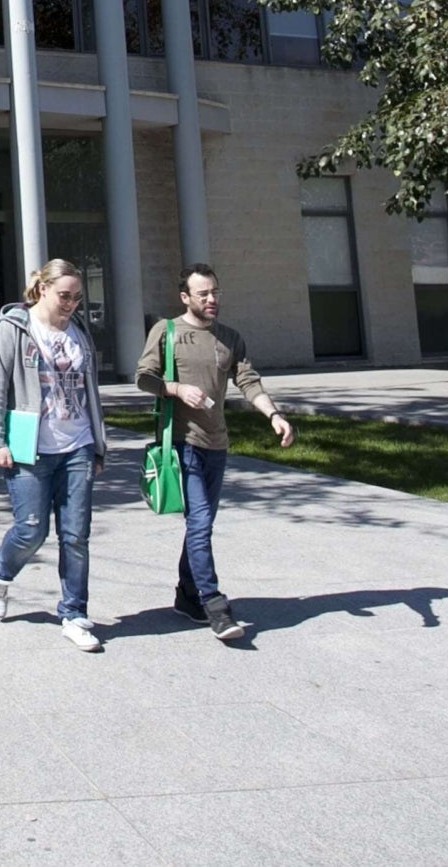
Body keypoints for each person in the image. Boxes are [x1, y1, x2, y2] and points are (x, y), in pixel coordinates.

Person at [138, 263, 293, 643]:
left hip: (216, 445)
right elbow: (143, 377)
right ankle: (213, 604)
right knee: (201, 523)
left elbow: (248, 381)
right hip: (182, 443)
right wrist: (175, 389)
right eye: (203, 294)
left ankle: (186, 595)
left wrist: (274, 415)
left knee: (198, 526)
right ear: (185, 297)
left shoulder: (229, 338)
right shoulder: (167, 331)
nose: (211, 300)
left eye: (215, 293)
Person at [0, 258, 108, 653]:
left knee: (75, 535)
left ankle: (74, 613)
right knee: (31, 529)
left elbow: (91, 394)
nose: (71, 304)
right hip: (29, 448)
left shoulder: (79, 333)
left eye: (77, 297)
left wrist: (98, 446)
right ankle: (0, 572)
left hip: (78, 446)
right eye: (64, 296)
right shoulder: (14, 330)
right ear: (42, 290)